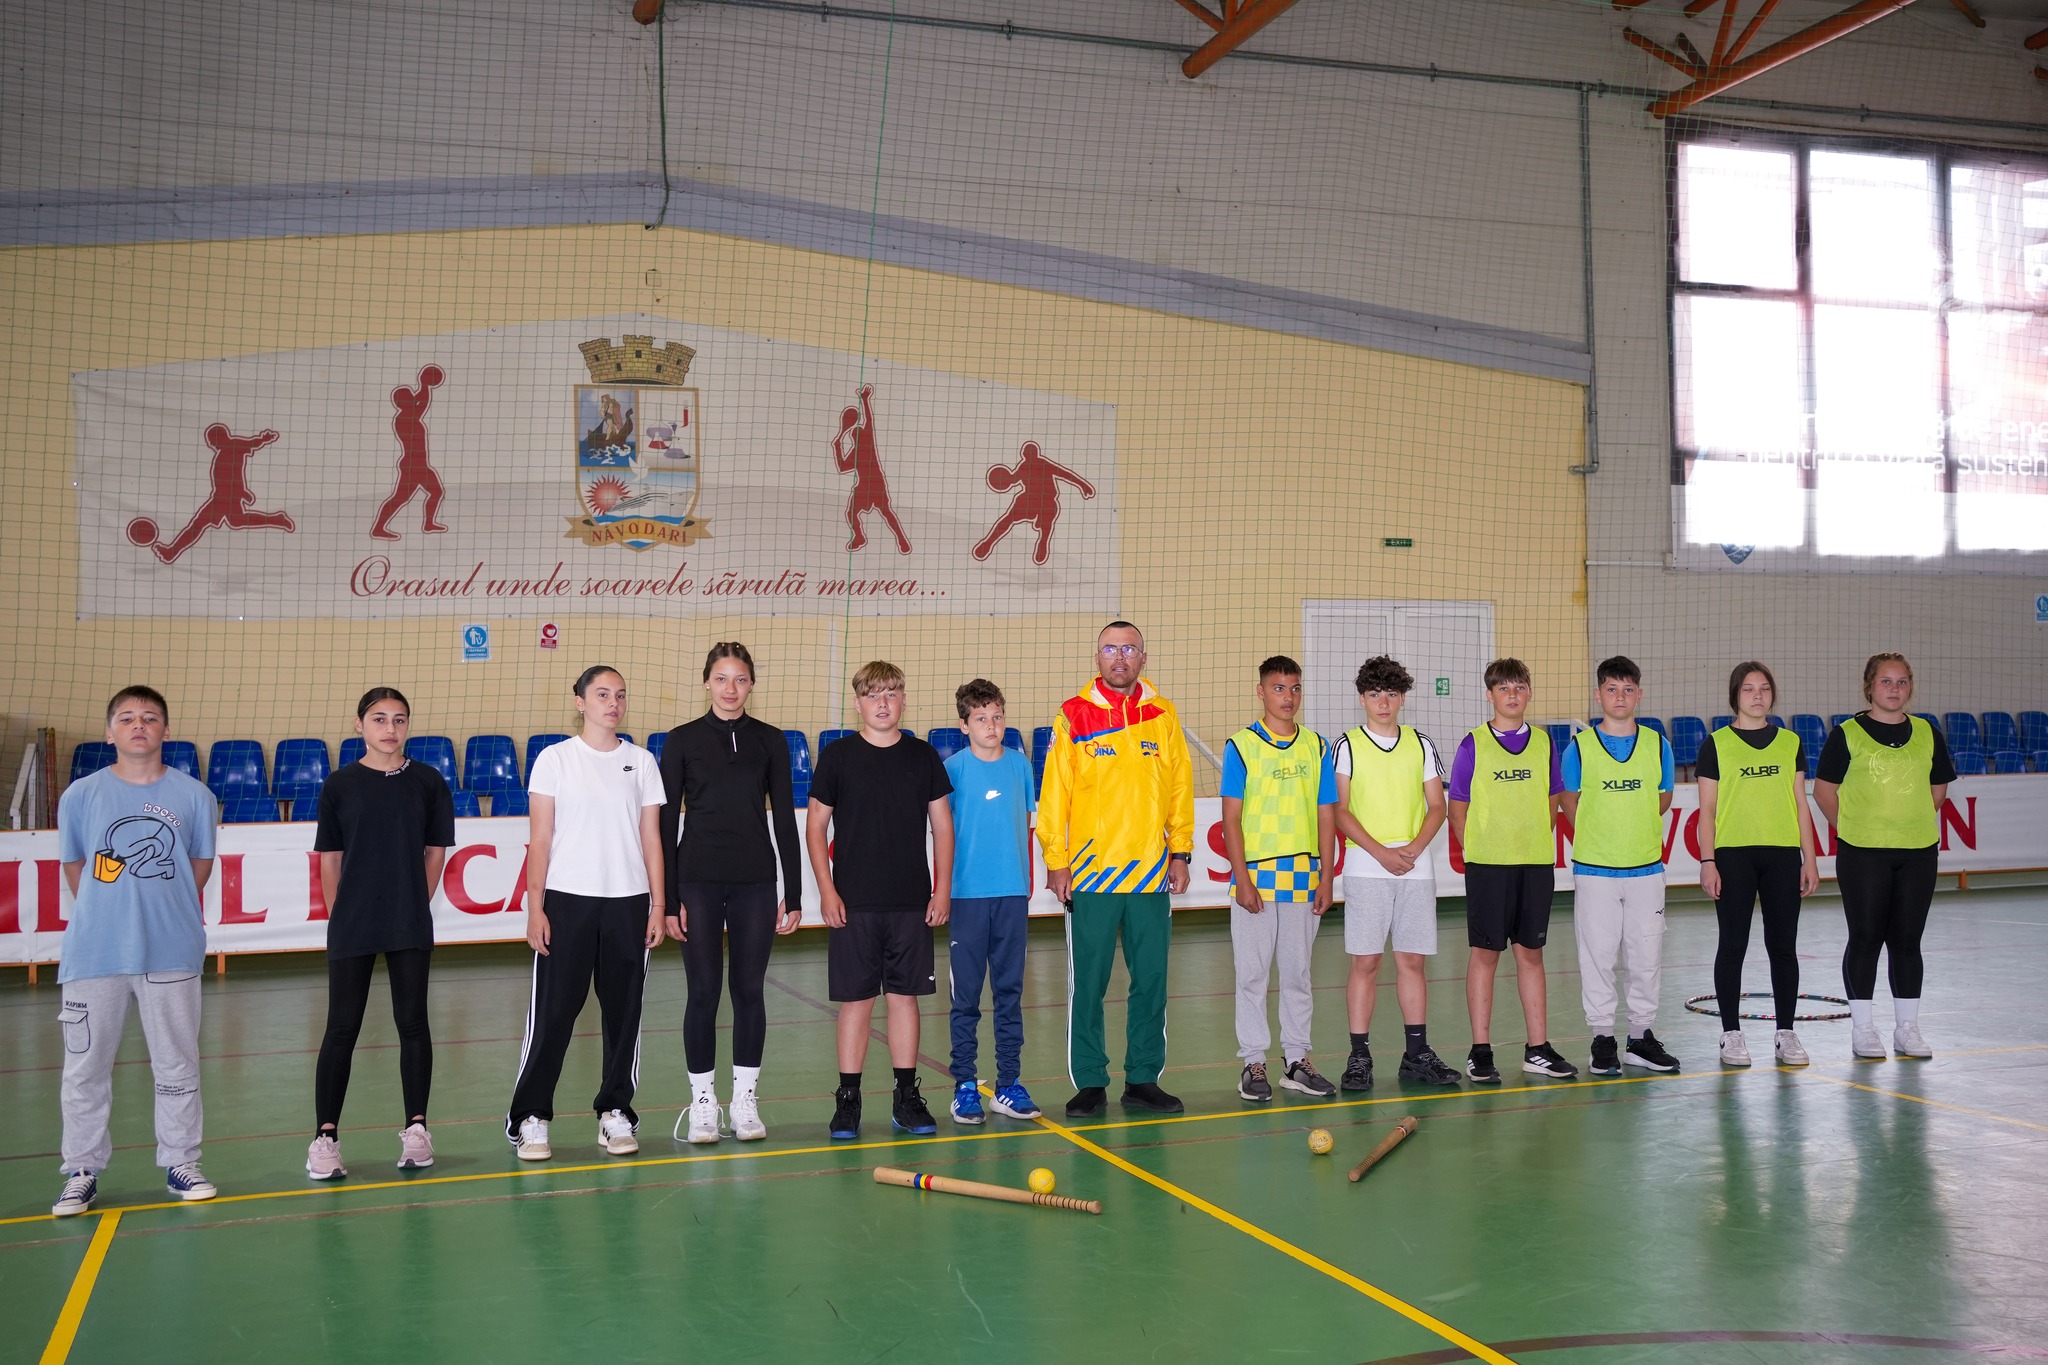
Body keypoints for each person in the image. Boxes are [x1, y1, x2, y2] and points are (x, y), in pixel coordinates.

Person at [52, 686, 219, 1216]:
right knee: (85, 1069)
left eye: (149, 717)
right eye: (126, 718)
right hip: (94, 954)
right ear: (110, 733)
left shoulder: (195, 796)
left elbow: (198, 866)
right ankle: (81, 1170)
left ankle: (181, 1161)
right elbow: (76, 865)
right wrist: (105, 913)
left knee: (177, 1065)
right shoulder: (81, 795)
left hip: (171, 951)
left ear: (166, 730)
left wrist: (164, 908)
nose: (138, 725)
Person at [506, 666, 666, 1161]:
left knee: (624, 1014)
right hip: (566, 902)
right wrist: (536, 908)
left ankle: (615, 1112)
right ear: (580, 702)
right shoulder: (555, 759)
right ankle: (531, 1117)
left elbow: (651, 838)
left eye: (620, 695)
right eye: (601, 694)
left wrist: (659, 905)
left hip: (629, 903)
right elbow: (540, 840)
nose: (612, 703)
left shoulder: (642, 762)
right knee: (554, 1013)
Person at [1037, 621, 1196, 1117]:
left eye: (1129, 649)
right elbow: (1054, 795)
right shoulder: (1073, 715)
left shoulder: (1163, 714)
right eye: (1110, 648)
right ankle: (1090, 1081)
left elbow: (1179, 788)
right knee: (1089, 984)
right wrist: (1057, 861)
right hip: (1091, 877)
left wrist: (1180, 851)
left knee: (1151, 981)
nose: (1120, 657)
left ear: (1143, 658)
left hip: (1150, 875)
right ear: (1097, 658)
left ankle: (1143, 1078)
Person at [306, 687, 456, 1181]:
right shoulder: (340, 784)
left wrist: (414, 901)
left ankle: (417, 1130)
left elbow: (435, 853)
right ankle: (325, 1138)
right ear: (360, 725)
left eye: (398, 719)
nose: (389, 728)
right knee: (341, 1027)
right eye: (379, 718)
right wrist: (341, 916)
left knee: (412, 1023)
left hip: (407, 920)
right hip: (353, 922)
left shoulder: (428, 782)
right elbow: (330, 860)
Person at [658, 643, 804, 1145]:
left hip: (755, 883)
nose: (730, 689)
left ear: (751, 684)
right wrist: (667, 898)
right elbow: (664, 823)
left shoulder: (771, 740)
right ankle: (703, 1104)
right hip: (696, 881)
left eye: (740, 679)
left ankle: (745, 1102)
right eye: (721, 678)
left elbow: (784, 819)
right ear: (707, 682)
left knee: (748, 991)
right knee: (702, 992)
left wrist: (794, 893)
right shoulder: (681, 740)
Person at [808, 662, 954, 1139]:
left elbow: (943, 827)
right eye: (873, 695)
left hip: (910, 902)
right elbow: (815, 828)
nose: (883, 703)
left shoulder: (923, 756)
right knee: (856, 1002)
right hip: (854, 904)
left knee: (904, 999)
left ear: (904, 700)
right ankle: (848, 1100)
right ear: (858, 704)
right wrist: (827, 890)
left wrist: (941, 889)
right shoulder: (837, 757)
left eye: (891, 693)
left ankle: (906, 1097)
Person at [1812, 653, 1954, 1060]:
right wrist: (1856, 829)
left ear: (1911, 687)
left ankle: (1907, 1029)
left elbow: (1937, 790)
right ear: (1869, 686)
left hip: (1918, 852)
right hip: (1863, 854)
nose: (1895, 689)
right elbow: (1824, 792)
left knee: (1908, 941)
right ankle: (1863, 1030)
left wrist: (1907, 824)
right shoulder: (1847, 734)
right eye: (1886, 681)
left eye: (1902, 681)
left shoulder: (1928, 733)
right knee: (1866, 938)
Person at [1332, 655, 1459, 1090]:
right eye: (1374, 694)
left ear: (1402, 697)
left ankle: (1417, 1055)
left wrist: (1414, 849)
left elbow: (1437, 806)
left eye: (1391, 693)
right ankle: (1359, 1057)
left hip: (1414, 865)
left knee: (1411, 961)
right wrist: (1381, 853)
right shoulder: (1347, 745)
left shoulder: (1421, 744)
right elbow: (1340, 810)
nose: (1383, 702)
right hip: (1366, 864)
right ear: (1362, 699)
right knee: (1366, 961)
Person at [1446, 658, 1575, 1083]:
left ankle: (1537, 1049)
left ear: (1529, 692)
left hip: (1534, 864)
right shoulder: (1473, 744)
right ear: (1490, 695)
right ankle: (1480, 1051)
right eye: (1504, 688)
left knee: (1531, 954)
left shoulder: (1544, 743)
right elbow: (1457, 808)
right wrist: (1481, 851)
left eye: (1519, 687)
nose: (1512, 694)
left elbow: (1554, 800)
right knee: (1485, 954)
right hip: (1488, 867)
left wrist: (1530, 842)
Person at [1221, 656, 1338, 1102]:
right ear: (1261, 692)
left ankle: (1296, 1060)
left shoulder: (1316, 746)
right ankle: (1253, 1062)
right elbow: (1231, 819)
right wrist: (1242, 878)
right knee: (1252, 975)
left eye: (1294, 688)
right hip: (1256, 878)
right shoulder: (1241, 746)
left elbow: (1326, 814)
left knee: (1297, 973)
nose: (1288, 697)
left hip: (1303, 877)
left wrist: (1326, 877)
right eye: (1278, 688)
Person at [1560, 657, 1680, 1077]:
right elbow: (1569, 801)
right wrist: (1601, 833)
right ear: (1599, 695)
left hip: (1646, 868)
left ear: (1639, 695)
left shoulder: (1658, 745)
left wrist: (1632, 827)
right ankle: (1602, 1040)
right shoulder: (1579, 748)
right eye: (1612, 689)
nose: (1620, 697)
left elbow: (1663, 796)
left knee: (1646, 955)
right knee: (1598, 955)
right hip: (1596, 871)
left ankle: (1641, 1039)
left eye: (1628, 689)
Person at [1698, 660, 1820, 1067]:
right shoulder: (1715, 744)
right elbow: (1707, 810)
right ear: (1735, 695)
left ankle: (1786, 1033)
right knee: (1732, 945)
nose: (1757, 695)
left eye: (1764, 688)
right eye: (1748, 688)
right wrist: (1708, 860)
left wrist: (1810, 859)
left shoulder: (1790, 742)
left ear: (1773, 694)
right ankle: (1731, 1034)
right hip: (1733, 856)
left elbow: (1801, 804)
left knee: (1783, 946)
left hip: (1783, 855)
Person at [942, 679, 1042, 1125]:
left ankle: (1008, 1084)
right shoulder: (953, 770)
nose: (991, 725)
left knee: (1009, 994)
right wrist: (942, 890)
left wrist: (1025, 881)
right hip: (966, 897)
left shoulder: (1020, 765)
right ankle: (965, 1085)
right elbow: (942, 834)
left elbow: (1025, 826)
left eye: (997, 716)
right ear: (964, 725)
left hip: (1011, 896)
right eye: (981, 718)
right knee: (965, 997)